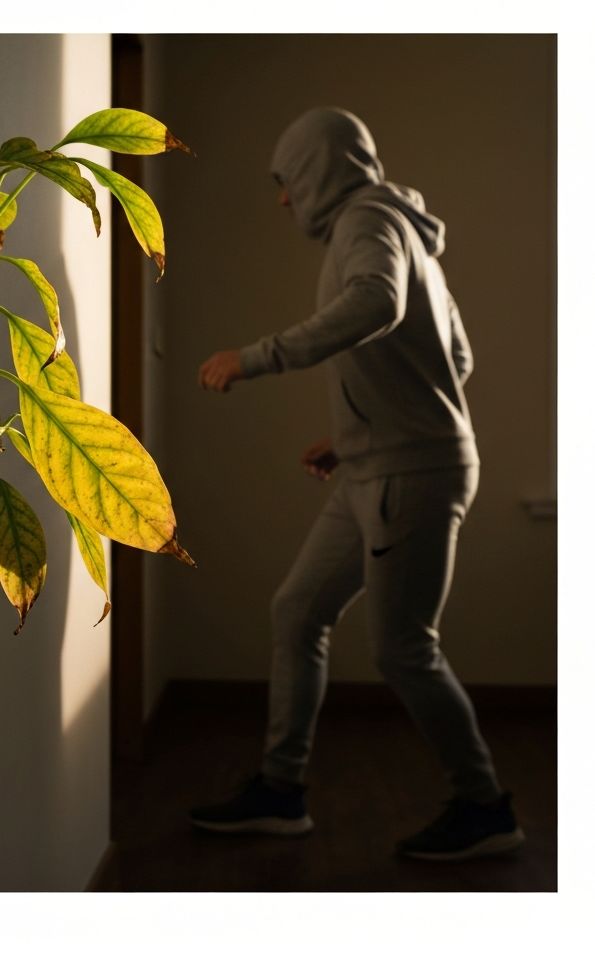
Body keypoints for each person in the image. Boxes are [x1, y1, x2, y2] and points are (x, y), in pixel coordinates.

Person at [190, 107, 525, 861]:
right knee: (297, 611)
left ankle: (486, 808)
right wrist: (356, 432)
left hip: (414, 470)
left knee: (404, 648)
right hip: (384, 459)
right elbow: (457, 359)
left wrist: (258, 356)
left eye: (286, 180)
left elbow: (378, 304)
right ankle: (280, 791)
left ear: (319, 169)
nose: (281, 199)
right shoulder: (401, 228)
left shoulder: (366, 221)